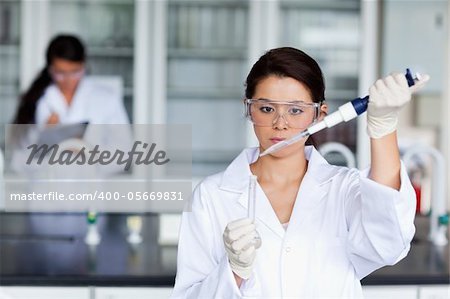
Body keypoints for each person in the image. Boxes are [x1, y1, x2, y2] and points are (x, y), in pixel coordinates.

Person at [171, 47, 429, 298]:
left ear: (319, 115)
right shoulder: (211, 196)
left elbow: (389, 243)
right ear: (249, 109)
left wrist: (383, 128)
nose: (280, 123)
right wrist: (234, 272)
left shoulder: (343, 189)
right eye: (267, 108)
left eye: (295, 110)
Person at [13, 34, 129, 126]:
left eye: (75, 72)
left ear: (83, 65)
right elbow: (20, 150)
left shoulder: (107, 98)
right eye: (61, 73)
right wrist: (44, 137)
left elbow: (124, 147)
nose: (68, 80)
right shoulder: (36, 98)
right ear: (50, 69)